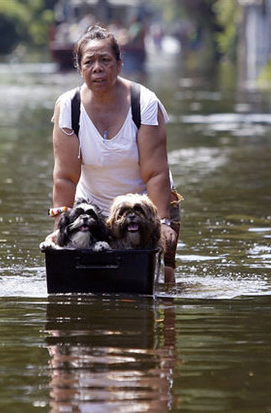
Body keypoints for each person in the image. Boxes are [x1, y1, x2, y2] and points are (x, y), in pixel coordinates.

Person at [47, 24, 181, 283]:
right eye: (89, 62)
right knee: (91, 282)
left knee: (163, 284)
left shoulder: (145, 103)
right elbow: (65, 177)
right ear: (80, 68)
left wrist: (163, 222)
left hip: (145, 208)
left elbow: (155, 173)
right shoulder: (68, 107)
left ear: (119, 64)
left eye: (105, 60)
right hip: (94, 210)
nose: (97, 68)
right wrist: (58, 228)